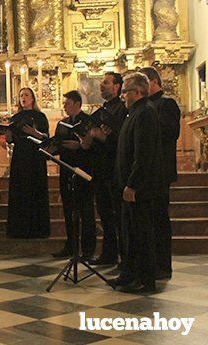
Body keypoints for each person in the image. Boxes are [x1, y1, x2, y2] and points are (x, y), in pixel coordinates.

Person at [96, 72, 162, 293]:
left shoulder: (145, 113)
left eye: (125, 91)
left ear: (137, 92)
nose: (123, 95)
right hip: (125, 184)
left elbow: (143, 154)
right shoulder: (133, 113)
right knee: (129, 234)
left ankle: (145, 279)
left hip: (138, 188)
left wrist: (132, 184)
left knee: (141, 234)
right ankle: (129, 274)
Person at [139, 66, 180, 280]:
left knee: (159, 220)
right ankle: (148, 263)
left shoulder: (166, 104)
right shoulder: (143, 107)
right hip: (144, 171)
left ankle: (163, 265)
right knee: (146, 221)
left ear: (154, 81)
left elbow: (171, 132)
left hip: (160, 170)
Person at [86, 72, 127, 267]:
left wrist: (102, 136)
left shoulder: (121, 109)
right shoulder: (102, 110)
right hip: (100, 167)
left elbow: (120, 140)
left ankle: (125, 256)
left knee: (117, 215)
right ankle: (108, 254)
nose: (102, 86)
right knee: (104, 213)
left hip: (114, 168)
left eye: (106, 82)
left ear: (117, 86)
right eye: (102, 83)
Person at [51, 91, 95, 260]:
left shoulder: (88, 121)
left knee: (86, 210)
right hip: (66, 169)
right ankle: (71, 245)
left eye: (68, 103)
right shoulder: (62, 124)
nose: (64, 106)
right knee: (69, 210)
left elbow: (93, 147)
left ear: (77, 104)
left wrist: (78, 145)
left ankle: (88, 249)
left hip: (83, 169)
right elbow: (57, 143)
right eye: (64, 104)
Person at [6, 88, 51, 238]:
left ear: (32, 98)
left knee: (35, 188)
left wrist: (35, 133)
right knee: (20, 189)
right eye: (21, 95)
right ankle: (19, 229)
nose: (23, 98)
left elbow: (46, 137)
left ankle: (38, 228)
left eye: (26, 95)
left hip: (35, 156)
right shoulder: (16, 117)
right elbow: (11, 139)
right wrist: (8, 136)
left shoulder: (40, 116)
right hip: (20, 156)